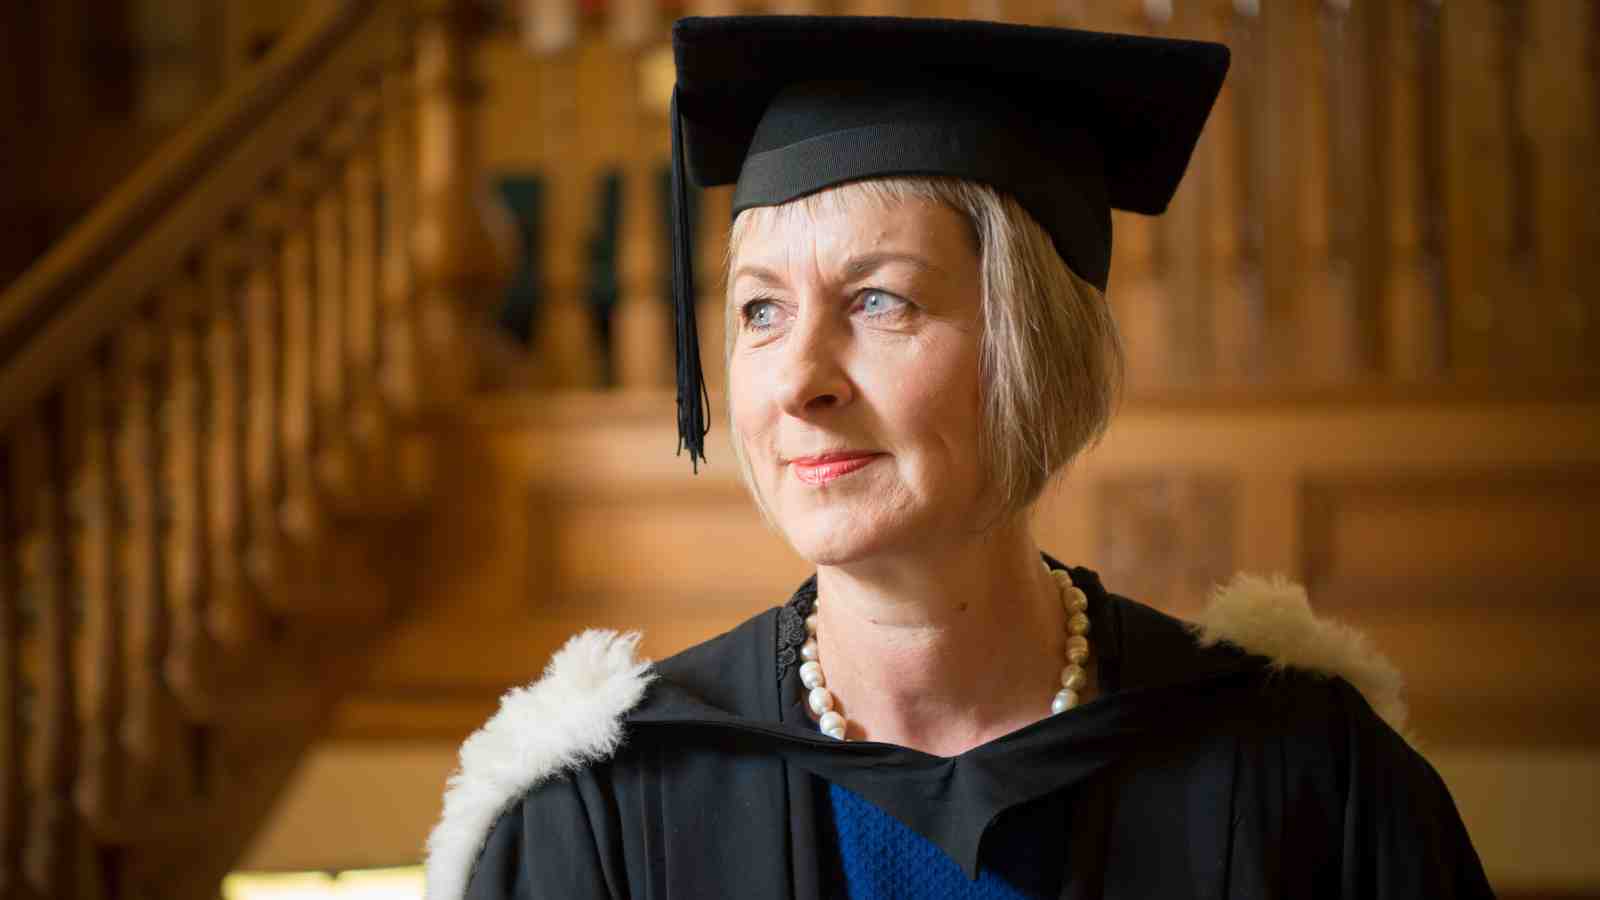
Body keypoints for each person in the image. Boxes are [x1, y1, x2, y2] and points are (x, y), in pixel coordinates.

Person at [425, 15, 1495, 899]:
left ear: (1033, 340)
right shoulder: (601, 813)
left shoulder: (1305, 778)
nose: (799, 380)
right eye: (759, 310)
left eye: (878, 299)